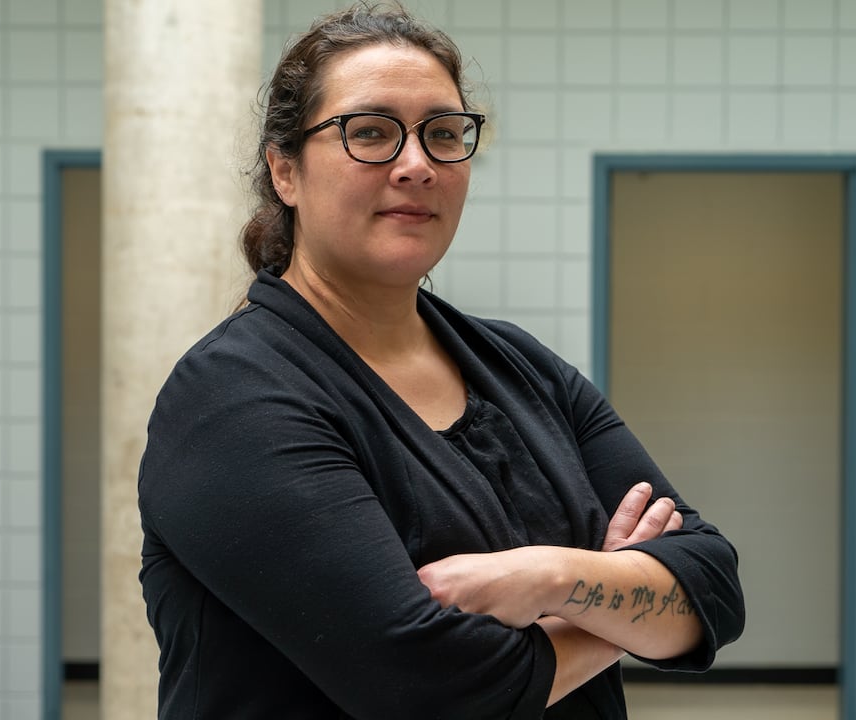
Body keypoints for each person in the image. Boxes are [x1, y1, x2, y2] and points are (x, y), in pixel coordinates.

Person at [137, 4, 745, 718]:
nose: (417, 164)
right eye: (369, 133)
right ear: (285, 172)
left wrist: (547, 577)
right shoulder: (235, 396)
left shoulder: (521, 367)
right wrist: (616, 607)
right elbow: (432, 688)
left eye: (444, 134)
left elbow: (712, 586)